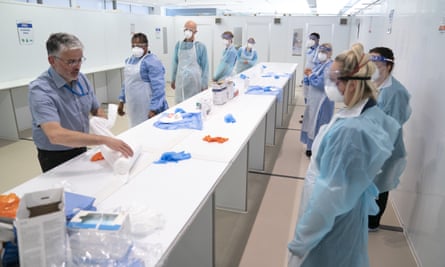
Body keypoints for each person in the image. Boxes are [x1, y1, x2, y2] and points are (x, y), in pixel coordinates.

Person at [288, 43, 401, 267]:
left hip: (330, 224)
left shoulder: (351, 131)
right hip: (347, 211)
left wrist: (302, 240)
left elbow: (329, 197)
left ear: (352, 84)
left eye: (336, 80)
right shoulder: (366, 111)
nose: (332, 85)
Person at [28, 33, 133, 173]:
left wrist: (101, 123)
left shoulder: (81, 79)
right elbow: (55, 135)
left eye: (80, 60)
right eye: (71, 62)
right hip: (55, 155)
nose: (77, 66)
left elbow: (96, 109)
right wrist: (104, 139)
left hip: (82, 146)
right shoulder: (40, 90)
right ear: (52, 60)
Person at [368, 46, 412, 231]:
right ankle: (365, 216)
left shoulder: (396, 91)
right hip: (369, 143)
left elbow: (393, 125)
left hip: (385, 148)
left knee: (379, 185)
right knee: (368, 184)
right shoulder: (372, 84)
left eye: (374, 61)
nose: (370, 65)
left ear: (387, 64)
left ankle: (372, 223)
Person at [118, 33, 168, 128]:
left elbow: (159, 87)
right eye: (133, 46)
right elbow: (127, 82)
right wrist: (121, 100)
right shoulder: (129, 60)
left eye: (139, 46)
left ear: (146, 46)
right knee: (134, 128)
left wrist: (154, 108)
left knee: (148, 130)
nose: (136, 48)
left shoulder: (152, 61)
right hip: (133, 106)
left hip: (147, 107)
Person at [300, 43, 335, 157]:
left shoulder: (330, 66)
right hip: (314, 99)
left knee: (319, 124)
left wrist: (310, 76)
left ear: (330, 53)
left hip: (322, 101)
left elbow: (321, 83)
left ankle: (317, 148)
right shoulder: (320, 64)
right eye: (320, 51)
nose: (321, 54)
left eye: (324, 52)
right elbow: (312, 76)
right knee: (311, 122)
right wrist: (308, 77)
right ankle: (310, 146)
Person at [171, 20, 209, 104]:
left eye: (190, 30)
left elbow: (205, 67)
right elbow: (175, 63)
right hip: (180, 81)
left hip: (194, 82)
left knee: (193, 104)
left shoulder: (200, 46)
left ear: (195, 32)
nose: (188, 32)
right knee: (180, 104)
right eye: (186, 29)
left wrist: (204, 85)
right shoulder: (178, 45)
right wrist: (173, 79)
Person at [302, 33, 321, 103]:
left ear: (318, 40)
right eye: (310, 39)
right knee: (306, 95)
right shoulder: (309, 50)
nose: (311, 40)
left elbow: (318, 65)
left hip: (314, 75)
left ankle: (311, 113)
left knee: (313, 97)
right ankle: (307, 112)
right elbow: (308, 63)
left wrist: (313, 76)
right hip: (307, 75)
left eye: (313, 39)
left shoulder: (320, 50)